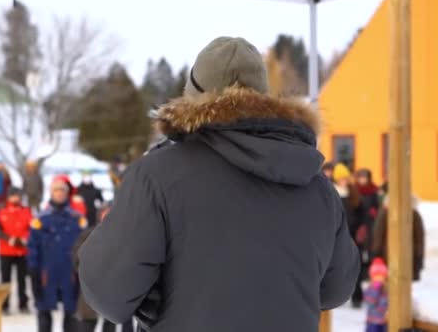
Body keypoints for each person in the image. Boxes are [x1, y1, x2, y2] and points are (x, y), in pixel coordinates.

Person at [78, 36, 360, 332]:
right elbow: (336, 289)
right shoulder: (315, 185)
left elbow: (108, 292)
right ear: (263, 97)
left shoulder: (157, 177)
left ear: (192, 98)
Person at [28, 177, 87, 332]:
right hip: (46, 275)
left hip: (70, 274)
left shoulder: (77, 219)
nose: (60, 194)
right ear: (51, 193)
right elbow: (33, 248)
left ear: (67, 194)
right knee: (44, 314)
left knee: (72, 315)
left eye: (62, 191)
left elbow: (84, 246)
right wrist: (34, 272)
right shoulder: (40, 220)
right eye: (56, 191)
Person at [72, 205, 133, 332]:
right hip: (91, 286)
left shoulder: (125, 235)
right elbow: (77, 258)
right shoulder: (88, 234)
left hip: (114, 287)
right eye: (106, 214)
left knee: (110, 321)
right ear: (100, 216)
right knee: (87, 321)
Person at [0, 187, 32, 313]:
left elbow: (32, 227)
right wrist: (8, 239)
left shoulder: (26, 210)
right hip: (6, 250)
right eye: (13, 196)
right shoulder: (1, 210)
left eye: (17, 196)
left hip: (22, 250)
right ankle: (4, 305)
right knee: (5, 280)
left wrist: (25, 239)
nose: (16, 198)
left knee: (22, 279)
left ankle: (23, 304)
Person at [333, 163, 365, 307]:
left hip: (354, 237)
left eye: (346, 178)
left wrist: (362, 229)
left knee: (355, 266)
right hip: (336, 238)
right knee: (337, 268)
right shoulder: (332, 193)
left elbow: (362, 214)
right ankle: (334, 297)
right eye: (341, 178)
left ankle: (357, 297)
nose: (344, 181)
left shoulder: (354, 193)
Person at [372, 193, 425, 281]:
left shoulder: (386, 213)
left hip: (392, 256)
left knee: (393, 284)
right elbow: (420, 240)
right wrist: (419, 258)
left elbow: (378, 235)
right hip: (405, 256)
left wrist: (376, 253)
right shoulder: (414, 214)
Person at [364, 258, 388, 332]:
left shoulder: (385, 288)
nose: (379, 278)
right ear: (372, 277)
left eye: (381, 276)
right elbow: (370, 302)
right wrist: (375, 289)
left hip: (383, 321)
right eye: (376, 276)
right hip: (373, 320)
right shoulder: (370, 288)